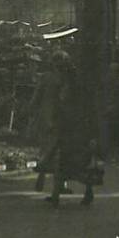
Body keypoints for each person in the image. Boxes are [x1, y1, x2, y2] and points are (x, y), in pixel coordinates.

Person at [48, 54, 100, 207]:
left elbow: (64, 111)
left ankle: (57, 195)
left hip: (72, 134)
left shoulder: (69, 92)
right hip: (77, 133)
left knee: (67, 164)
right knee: (79, 165)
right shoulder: (78, 92)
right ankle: (83, 192)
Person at [29, 53, 69, 193]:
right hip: (58, 118)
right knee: (61, 149)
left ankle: (42, 176)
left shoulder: (46, 77)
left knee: (47, 148)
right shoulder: (65, 78)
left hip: (48, 118)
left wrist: (33, 110)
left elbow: (36, 98)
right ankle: (60, 183)